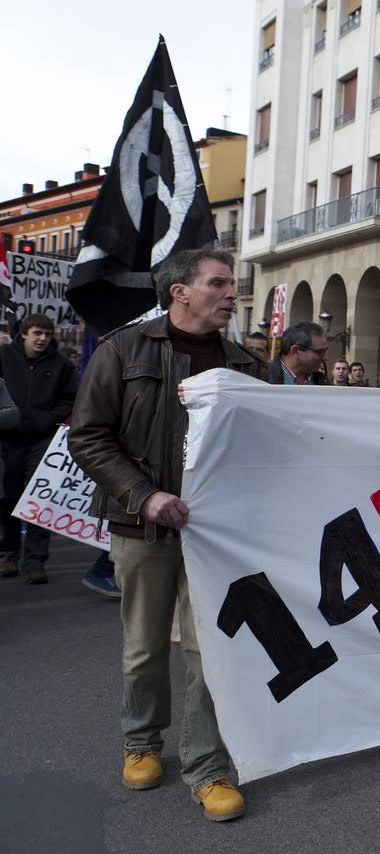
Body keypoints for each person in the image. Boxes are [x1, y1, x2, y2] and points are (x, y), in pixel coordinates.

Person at [68, 247, 267, 822]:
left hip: (220, 536)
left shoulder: (250, 364)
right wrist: (146, 496)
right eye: (219, 282)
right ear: (180, 291)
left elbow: (293, 433)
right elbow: (89, 436)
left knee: (214, 654)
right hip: (141, 526)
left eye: (232, 283)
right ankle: (141, 742)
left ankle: (208, 769)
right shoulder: (122, 350)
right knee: (144, 646)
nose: (232, 292)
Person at [0, 314, 79, 585]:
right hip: (7, 439)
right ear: (24, 334)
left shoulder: (61, 365)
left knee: (39, 499)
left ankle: (34, 561)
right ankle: (8, 554)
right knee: (7, 497)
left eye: (47, 333)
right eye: (37, 333)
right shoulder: (4, 357)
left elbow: (71, 398)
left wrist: (48, 419)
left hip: (43, 440)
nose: (42, 338)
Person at [268, 321, 328, 385]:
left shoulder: (322, 381)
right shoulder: (262, 380)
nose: (325, 358)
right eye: (319, 352)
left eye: (325, 351)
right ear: (295, 351)